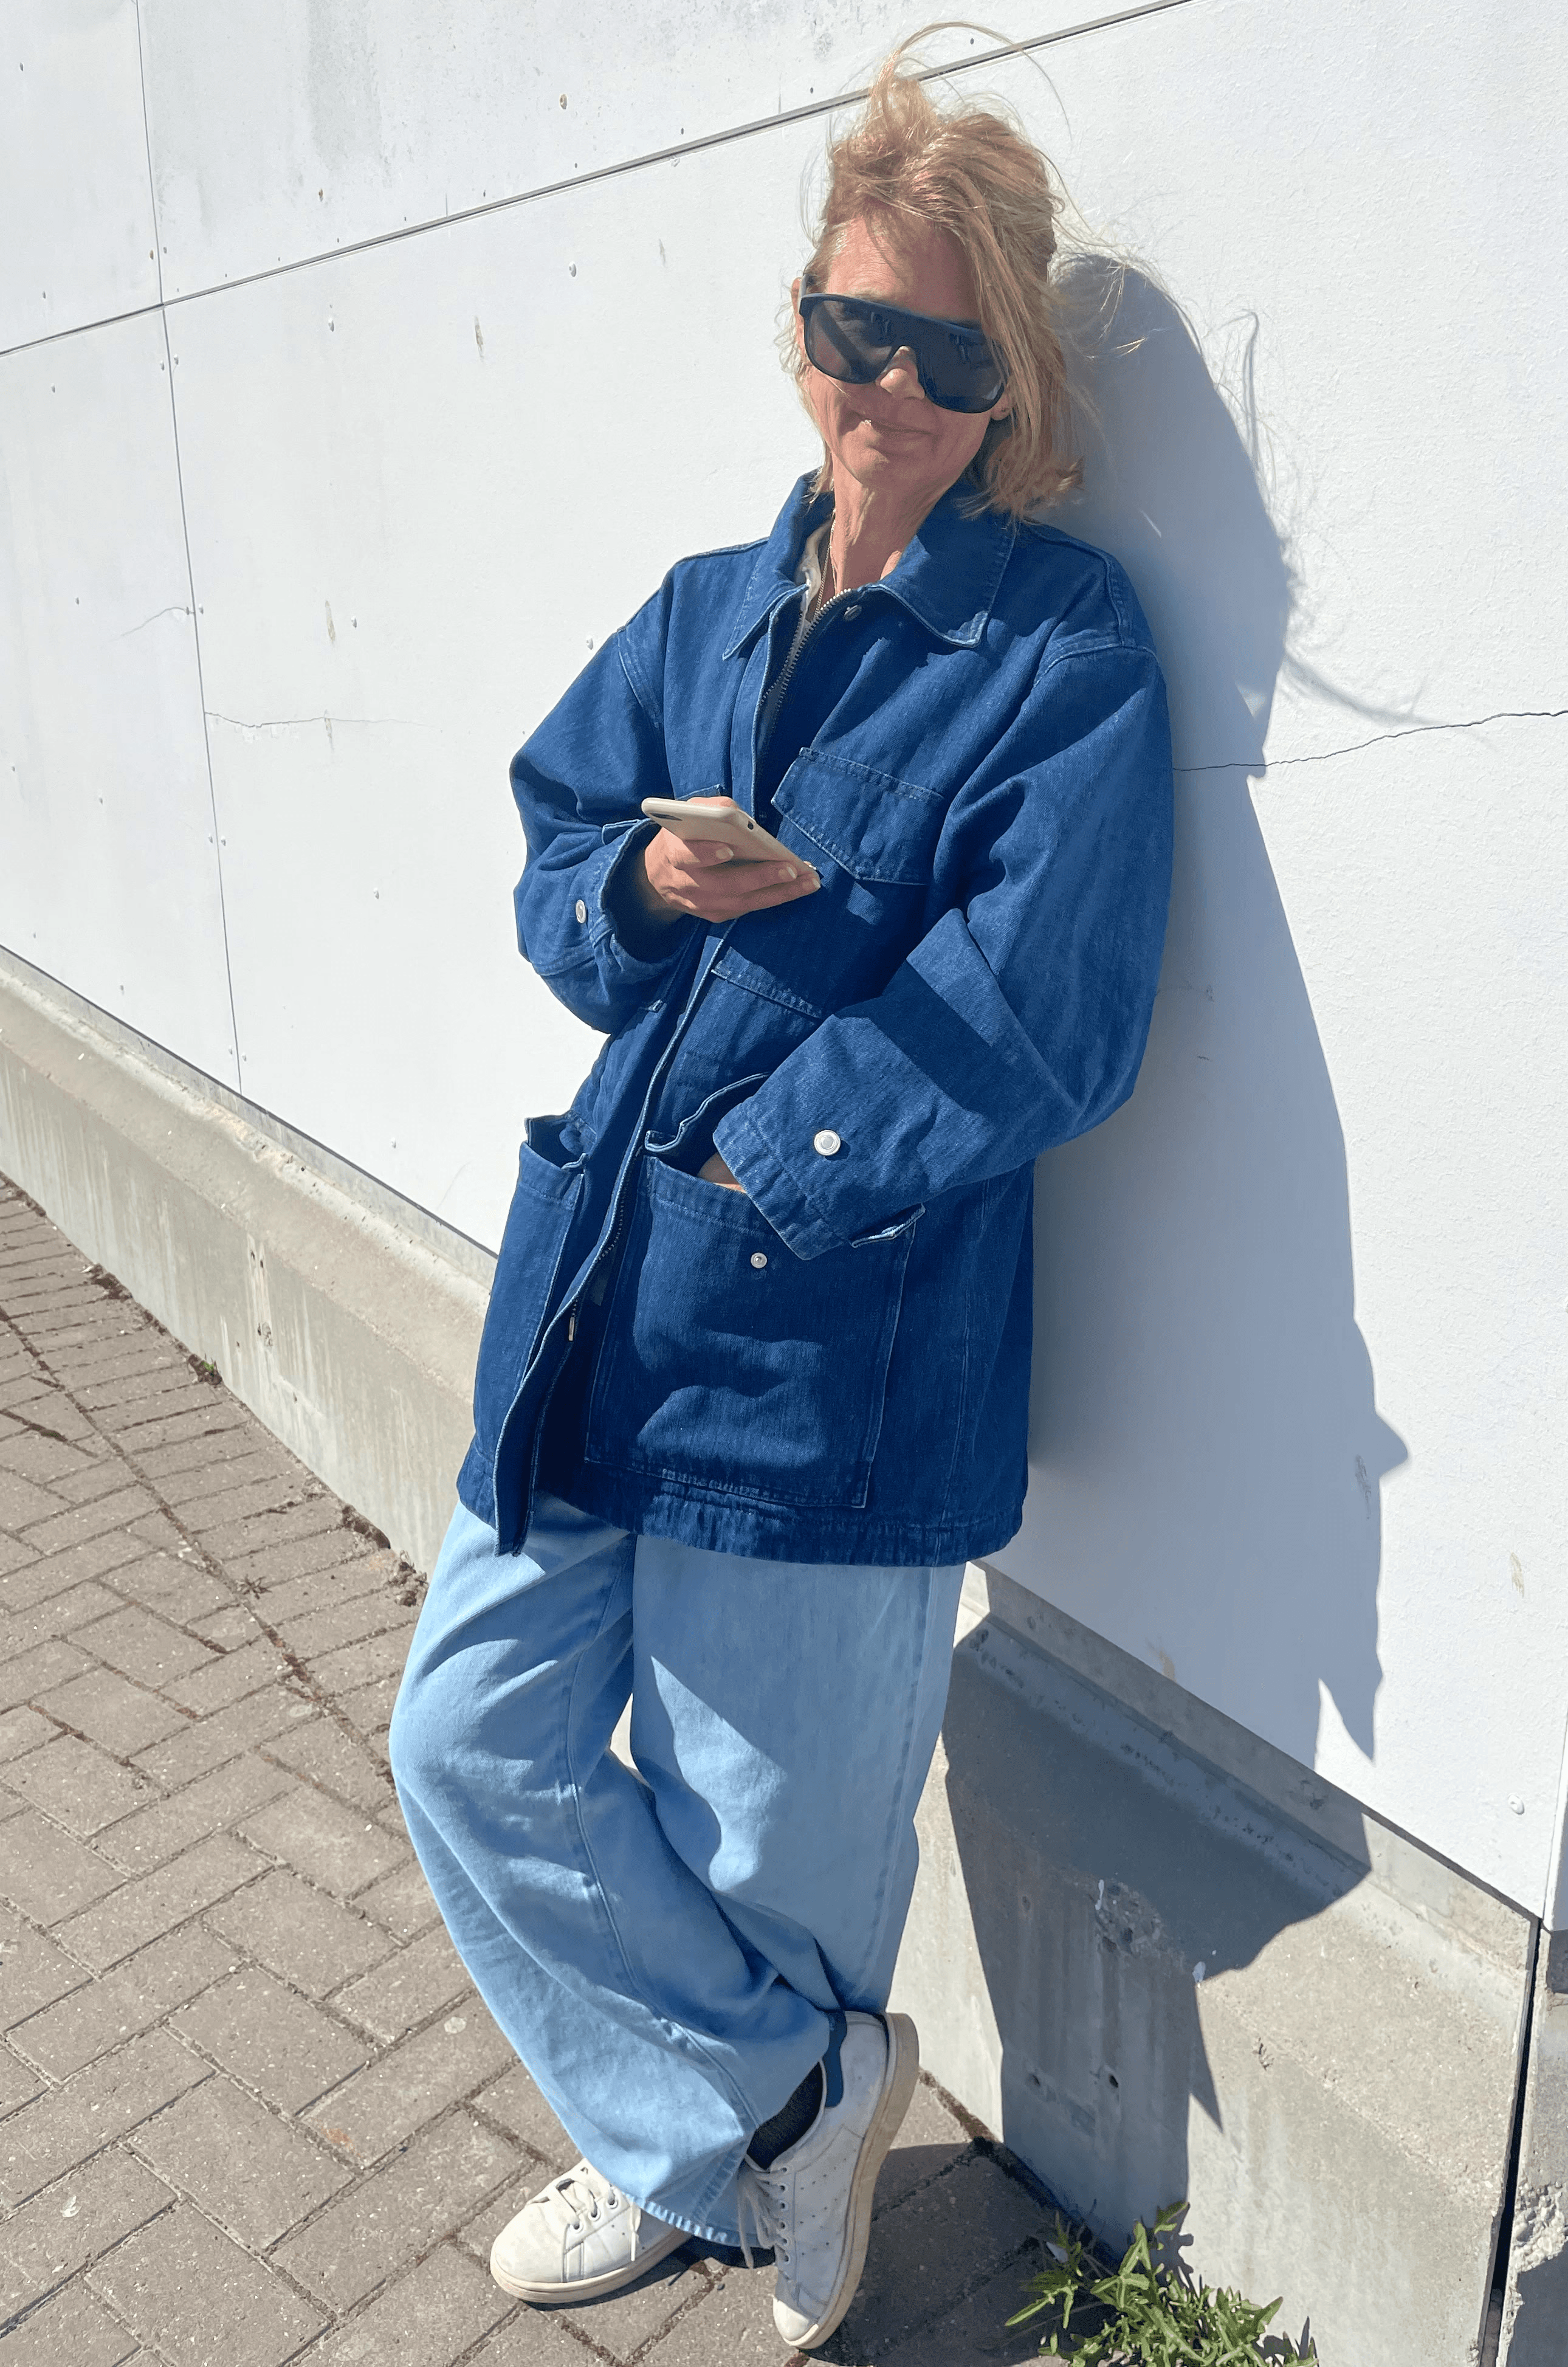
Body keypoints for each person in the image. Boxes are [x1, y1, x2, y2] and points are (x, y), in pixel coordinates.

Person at [389, 42, 1172, 2354]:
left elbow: (1050, 1015)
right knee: (466, 1739)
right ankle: (757, 2108)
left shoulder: (1061, 649)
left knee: (766, 1858)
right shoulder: (699, 610)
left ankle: (737, 2148)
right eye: (859, 334)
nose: (892, 390)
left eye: (947, 354)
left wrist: (766, 1143)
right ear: (802, 332)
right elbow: (550, 873)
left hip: (842, 1348)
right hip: (593, 1298)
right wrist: (639, 874)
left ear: (1005, 378)